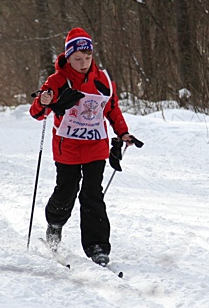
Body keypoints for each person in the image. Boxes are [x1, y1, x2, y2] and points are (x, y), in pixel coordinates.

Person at [29, 27, 136, 267]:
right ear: (68, 57)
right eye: (78, 59)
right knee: (66, 191)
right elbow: (38, 113)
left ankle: (97, 246)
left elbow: (112, 109)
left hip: (95, 147)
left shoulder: (103, 80)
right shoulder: (57, 80)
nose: (83, 63)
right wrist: (43, 101)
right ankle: (54, 224)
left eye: (87, 58)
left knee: (92, 194)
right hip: (66, 147)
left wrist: (123, 132)